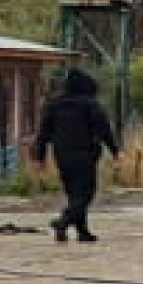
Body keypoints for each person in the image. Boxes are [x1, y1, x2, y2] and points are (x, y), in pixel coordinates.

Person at [29, 68, 121, 243]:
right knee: (85, 195)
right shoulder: (90, 104)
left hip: (62, 156)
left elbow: (43, 134)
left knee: (73, 194)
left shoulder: (54, 105)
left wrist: (40, 158)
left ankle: (82, 232)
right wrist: (115, 151)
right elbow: (104, 129)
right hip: (85, 155)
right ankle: (63, 221)